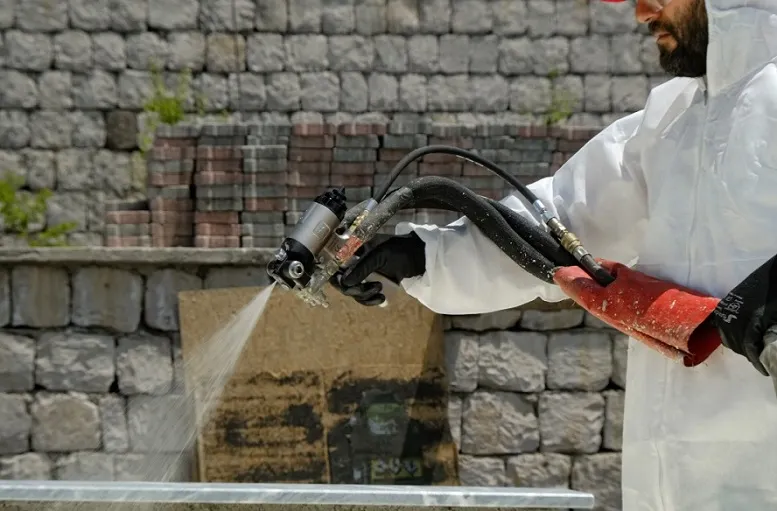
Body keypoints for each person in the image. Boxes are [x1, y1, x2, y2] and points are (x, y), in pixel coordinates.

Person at [331, 0, 777, 509]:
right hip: (671, 483)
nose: (640, 12)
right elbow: (559, 223)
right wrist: (417, 256)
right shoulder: (667, 126)